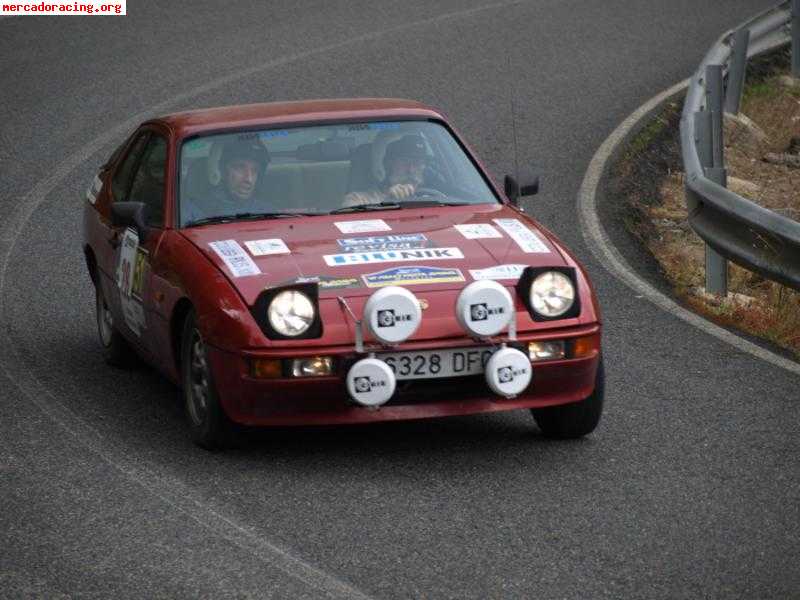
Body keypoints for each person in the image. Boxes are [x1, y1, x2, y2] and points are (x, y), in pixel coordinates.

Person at [185, 138, 270, 222]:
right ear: (221, 170)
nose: (249, 179)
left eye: (254, 170)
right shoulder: (193, 213)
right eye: (240, 167)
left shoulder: (267, 213)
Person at [343, 134, 430, 207]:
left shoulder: (436, 198)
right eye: (405, 162)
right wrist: (388, 201)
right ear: (387, 165)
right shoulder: (359, 200)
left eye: (418, 163)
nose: (411, 170)